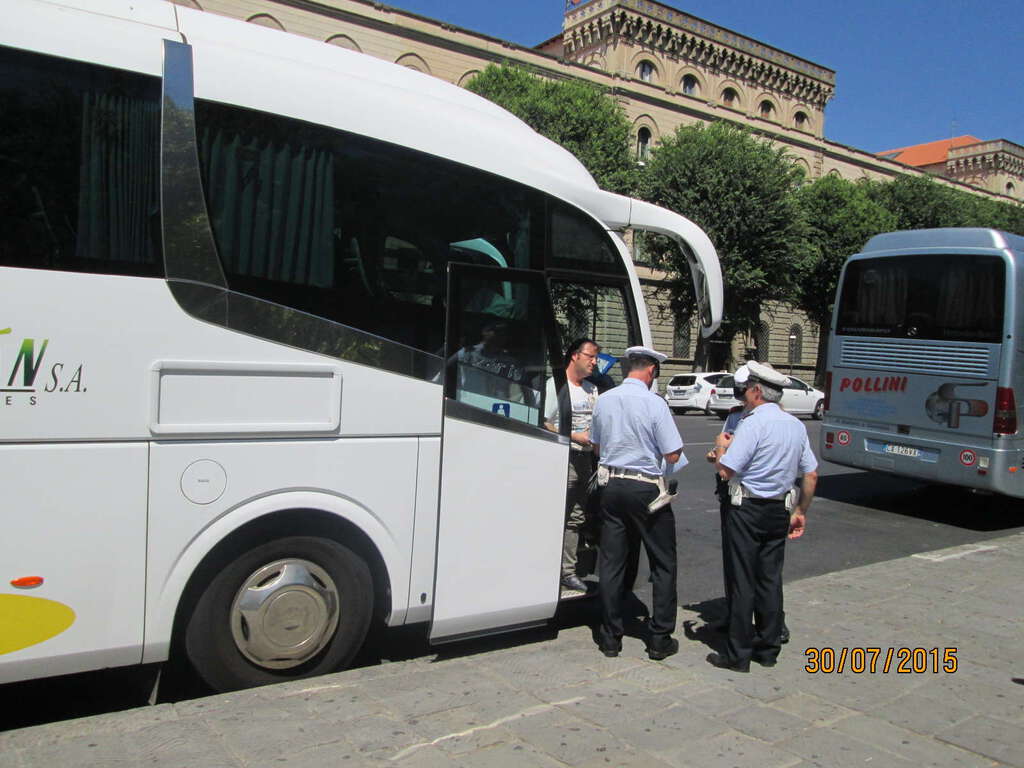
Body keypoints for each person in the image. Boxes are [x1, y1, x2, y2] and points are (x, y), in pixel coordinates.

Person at [708, 360, 818, 672]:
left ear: (757, 391)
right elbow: (811, 474)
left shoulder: (752, 424)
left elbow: (727, 470)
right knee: (769, 579)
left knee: (743, 579)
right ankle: (769, 649)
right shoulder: (795, 425)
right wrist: (801, 511)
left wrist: (720, 448)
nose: (743, 394)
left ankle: (738, 654)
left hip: (747, 508)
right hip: (779, 509)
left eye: (746, 389)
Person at [590, 345, 685, 660]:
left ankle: (610, 637)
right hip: (646, 489)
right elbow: (673, 454)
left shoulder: (605, 399)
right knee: (663, 562)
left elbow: (596, 447)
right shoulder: (654, 403)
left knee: (612, 562)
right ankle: (659, 639)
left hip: (611, 485)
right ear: (652, 370)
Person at [544, 338, 601, 593]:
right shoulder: (555, 386)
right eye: (590, 356)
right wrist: (574, 436)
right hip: (562, 458)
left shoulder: (591, 389)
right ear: (575, 356)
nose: (594, 362)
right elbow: (543, 422)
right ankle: (545, 568)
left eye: (596, 357)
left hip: (585, 460)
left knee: (576, 517)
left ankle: (567, 572)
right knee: (555, 515)